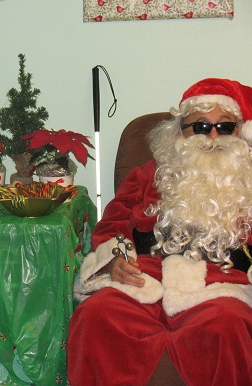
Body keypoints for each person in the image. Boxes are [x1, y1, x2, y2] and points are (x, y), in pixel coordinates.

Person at [67, 78, 252, 386]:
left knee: (228, 324)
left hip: (219, 287)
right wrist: (114, 259)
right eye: (202, 127)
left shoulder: (247, 180)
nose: (214, 136)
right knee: (96, 314)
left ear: (240, 132)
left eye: (225, 127)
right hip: (144, 280)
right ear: (182, 132)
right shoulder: (149, 174)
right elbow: (112, 223)